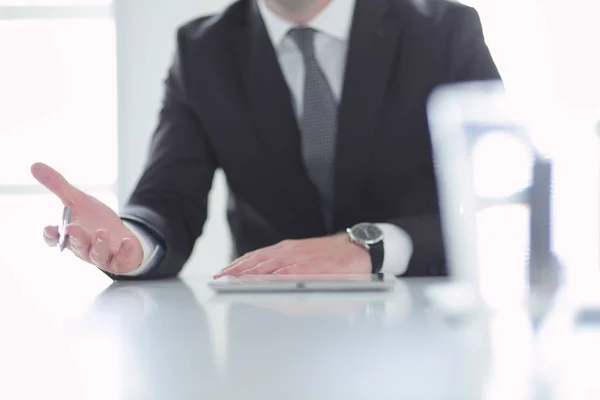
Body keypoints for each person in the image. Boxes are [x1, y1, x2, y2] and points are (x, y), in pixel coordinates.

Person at [32, 0, 501, 280]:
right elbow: (167, 201)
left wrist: (372, 247)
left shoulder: (443, 31)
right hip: (268, 330)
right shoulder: (203, 50)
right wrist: (129, 240)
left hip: (425, 323)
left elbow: (498, 200)